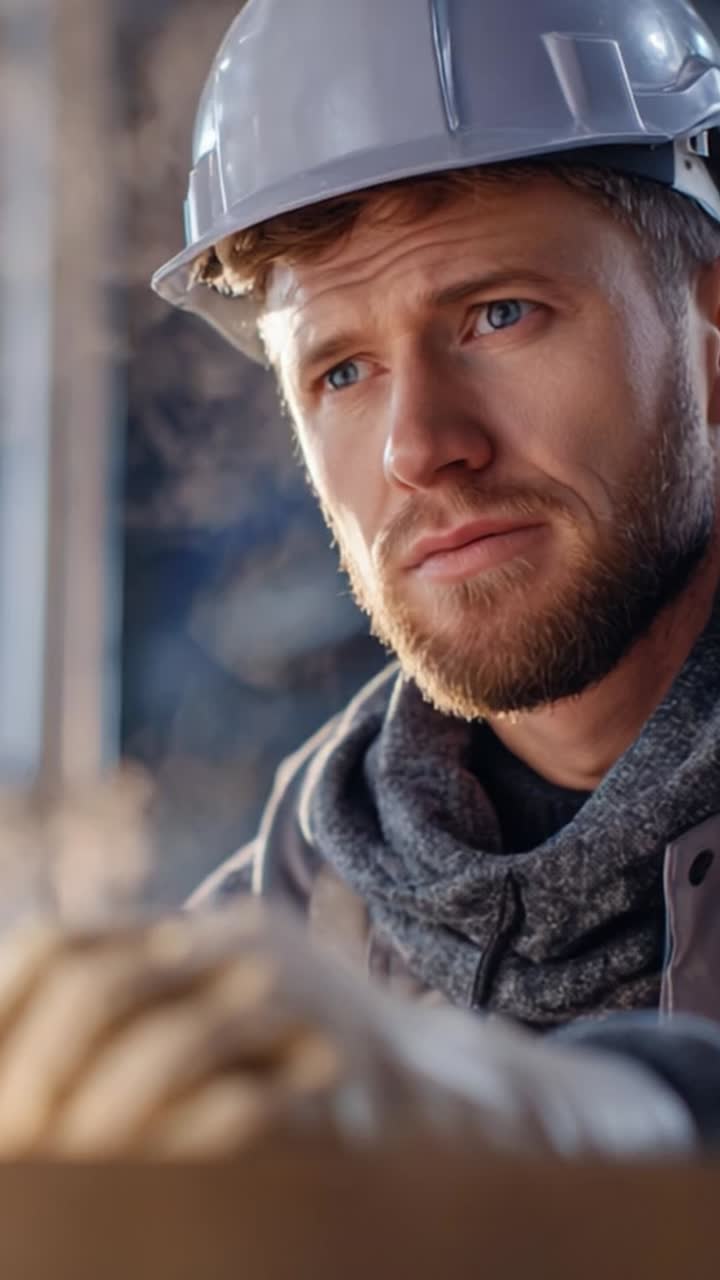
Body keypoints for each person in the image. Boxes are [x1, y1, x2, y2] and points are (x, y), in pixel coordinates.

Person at [152, 0, 720, 1150]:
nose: (417, 448)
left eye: (498, 315)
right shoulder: (282, 919)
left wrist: (618, 1126)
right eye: (341, 371)